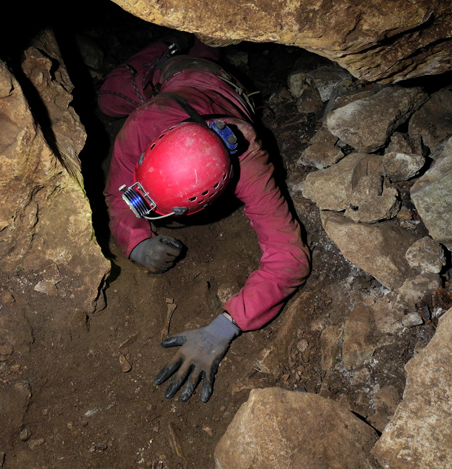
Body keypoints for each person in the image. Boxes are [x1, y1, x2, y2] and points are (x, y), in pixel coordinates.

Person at [99, 33, 310, 403]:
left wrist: (223, 328)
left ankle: (204, 47)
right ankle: (176, 43)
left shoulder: (249, 164)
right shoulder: (143, 124)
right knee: (109, 98)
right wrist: (136, 241)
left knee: (207, 58)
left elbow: (289, 259)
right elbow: (115, 191)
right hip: (176, 77)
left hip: (222, 88)